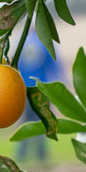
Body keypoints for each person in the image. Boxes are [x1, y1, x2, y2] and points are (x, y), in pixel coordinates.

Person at [16, 29, 62, 162]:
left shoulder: (21, 44)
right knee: (43, 122)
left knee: (25, 123)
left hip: (23, 89)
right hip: (41, 88)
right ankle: (41, 154)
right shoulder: (45, 44)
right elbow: (54, 66)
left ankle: (21, 154)